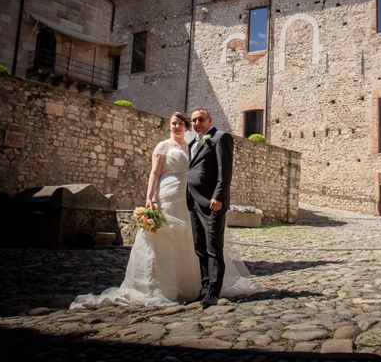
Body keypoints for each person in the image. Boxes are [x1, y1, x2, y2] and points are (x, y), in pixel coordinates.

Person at [70, 112, 257, 309]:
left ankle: (201, 288)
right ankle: (166, 286)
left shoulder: (194, 144)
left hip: (191, 200)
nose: (177, 127)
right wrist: (150, 197)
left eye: (180, 124)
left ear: (188, 127)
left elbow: (218, 172)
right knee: (176, 241)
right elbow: (154, 173)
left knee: (195, 243)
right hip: (168, 197)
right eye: (173, 124)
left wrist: (216, 196)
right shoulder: (163, 146)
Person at [186, 108, 233, 307]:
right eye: (194, 120)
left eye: (201, 119)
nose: (197, 123)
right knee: (200, 248)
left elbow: (225, 172)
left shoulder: (220, 137)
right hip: (194, 201)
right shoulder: (192, 143)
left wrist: (218, 197)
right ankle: (204, 288)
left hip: (213, 203)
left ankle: (213, 292)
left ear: (209, 120)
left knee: (214, 247)